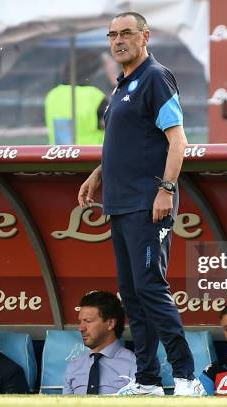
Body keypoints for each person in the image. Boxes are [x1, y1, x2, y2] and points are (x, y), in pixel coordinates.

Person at [77, 11, 201, 396]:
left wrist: (166, 188)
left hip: (149, 203)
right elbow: (128, 143)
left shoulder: (155, 77)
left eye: (126, 33)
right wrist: (98, 173)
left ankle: (186, 378)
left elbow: (178, 141)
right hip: (120, 203)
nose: (118, 40)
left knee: (150, 288)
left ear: (145, 36)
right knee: (131, 293)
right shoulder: (122, 85)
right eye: (112, 34)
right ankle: (147, 380)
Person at [63, 291, 136, 394]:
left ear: (110, 323)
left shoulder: (134, 365)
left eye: (88, 321)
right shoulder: (74, 366)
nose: (81, 328)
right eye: (80, 321)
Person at [45, 50, 108, 145]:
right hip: (91, 155)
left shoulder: (53, 94)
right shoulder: (94, 96)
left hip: (60, 156)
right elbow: (110, 125)